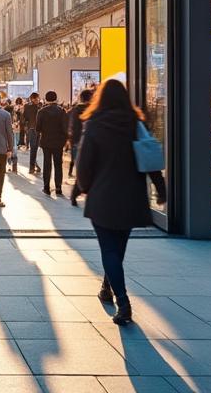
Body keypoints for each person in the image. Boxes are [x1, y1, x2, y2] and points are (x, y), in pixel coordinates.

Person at [74, 79, 152, 326]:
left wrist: (84, 187)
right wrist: (160, 188)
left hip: (103, 195)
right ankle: (107, 288)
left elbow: (84, 163)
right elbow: (150, 154)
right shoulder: (136, 123)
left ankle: (123, 301)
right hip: (132, 194)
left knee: (108, 249)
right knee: (118, 249)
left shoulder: (94, 124)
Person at [36, 90, 68, 196]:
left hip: (46, 141)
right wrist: (64, 140)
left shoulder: (41, 111)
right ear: (56, 99)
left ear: (46, 99)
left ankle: (46, 187)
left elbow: (38, 128)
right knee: (58, 164)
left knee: (47, 164)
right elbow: (65, 128)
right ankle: (58, 188)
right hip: (58, 142)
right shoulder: (62, 111)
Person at [67, 88, 92, 181]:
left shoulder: (75, 110)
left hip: (77, 141)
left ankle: (80, 184)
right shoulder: (94, 110)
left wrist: (71, 140)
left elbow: (72, 126)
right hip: (90, 141)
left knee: (78, 164)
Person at [21, 96, 41, 173]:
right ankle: (31, 167)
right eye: (36, 99)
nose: (37, 100)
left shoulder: (39, 106)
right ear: (32, 99)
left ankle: (34, 165)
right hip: (32, 130)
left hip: (37, 130)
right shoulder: (28, 107)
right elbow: (24, 118)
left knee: (35, 148)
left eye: (38, 99)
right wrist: (27, 126)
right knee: (33, 148)